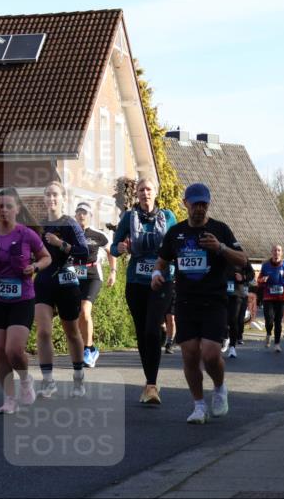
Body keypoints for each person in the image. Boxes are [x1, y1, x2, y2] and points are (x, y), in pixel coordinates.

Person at [152, 183, 247, 424]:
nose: (200, 209)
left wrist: (220, 247)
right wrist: (156, 275)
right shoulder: (175, 233)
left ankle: (219, 387)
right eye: (195, 204)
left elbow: (243, 260)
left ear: (209, 204)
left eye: (204, 204)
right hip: (185, 301)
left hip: (214, 300)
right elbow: (161, 261)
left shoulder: (220, 229)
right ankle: (198, 406)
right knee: (190, 354)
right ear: (186, 204)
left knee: (211, 354)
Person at [0, 188, 51, 413]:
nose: (4, 210)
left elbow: (47, 257)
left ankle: (25, 380)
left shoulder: (27, 235)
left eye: (8, 206)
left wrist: (35, 266)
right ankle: (9, 398)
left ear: (17, 210)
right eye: (0, 206)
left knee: (14, 350)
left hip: (22, 298)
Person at [113, 177, 177, 404]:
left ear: (155, 193)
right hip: (136, 282)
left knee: (151, 329)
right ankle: (150, 383)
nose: (145, 193)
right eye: (141, 190)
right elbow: (114, 246)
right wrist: (119, 247)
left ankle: (151, 384)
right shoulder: (129, 218)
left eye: (149, 189)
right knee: (142, 332)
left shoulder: (168, 217)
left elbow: (176, 246)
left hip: (162, 280)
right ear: (137, 194)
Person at [34, 181, 89, 397]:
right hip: (45, 280)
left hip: (67, 280)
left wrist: (60, 244)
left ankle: (78, 378)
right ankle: (48, 381)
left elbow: (84, 252)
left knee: (72, 332)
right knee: (43, 331)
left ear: (63, 198)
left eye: (55, 194)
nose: (51, 198)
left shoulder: (70, 224)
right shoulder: (39, 224)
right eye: (47, 194)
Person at [70, 201, 116, 367]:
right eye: (79, 212)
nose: (81, 215)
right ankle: (83, 347)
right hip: (74, 274)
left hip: (92, 275)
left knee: (85, 310)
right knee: (76, 316)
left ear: (90, 216)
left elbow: (112, 252)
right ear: (75, 215)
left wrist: (113, 271)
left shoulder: (97, 234)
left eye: (85, 213)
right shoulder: (70, 234)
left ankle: (89, 349)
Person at [257, 245, 284, 353]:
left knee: (278, 320)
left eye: (279, 251)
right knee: (269, 319)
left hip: (282, 297)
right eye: (275, 250)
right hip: (269, 296)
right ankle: (268, 333)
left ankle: (277, 344)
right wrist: (263, 279)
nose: (276, 252)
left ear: (281, 253)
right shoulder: (266, 266)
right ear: (271, 252)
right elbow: (259, 281)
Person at [224, 261, 254, 358]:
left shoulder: (240, 256)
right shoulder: (218, 254)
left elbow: (252, 274)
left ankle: (232, 347)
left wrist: (243, 278)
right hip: (221, 293)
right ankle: (225, 337)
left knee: (233, 320)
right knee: (222, 319)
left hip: (236, 294)